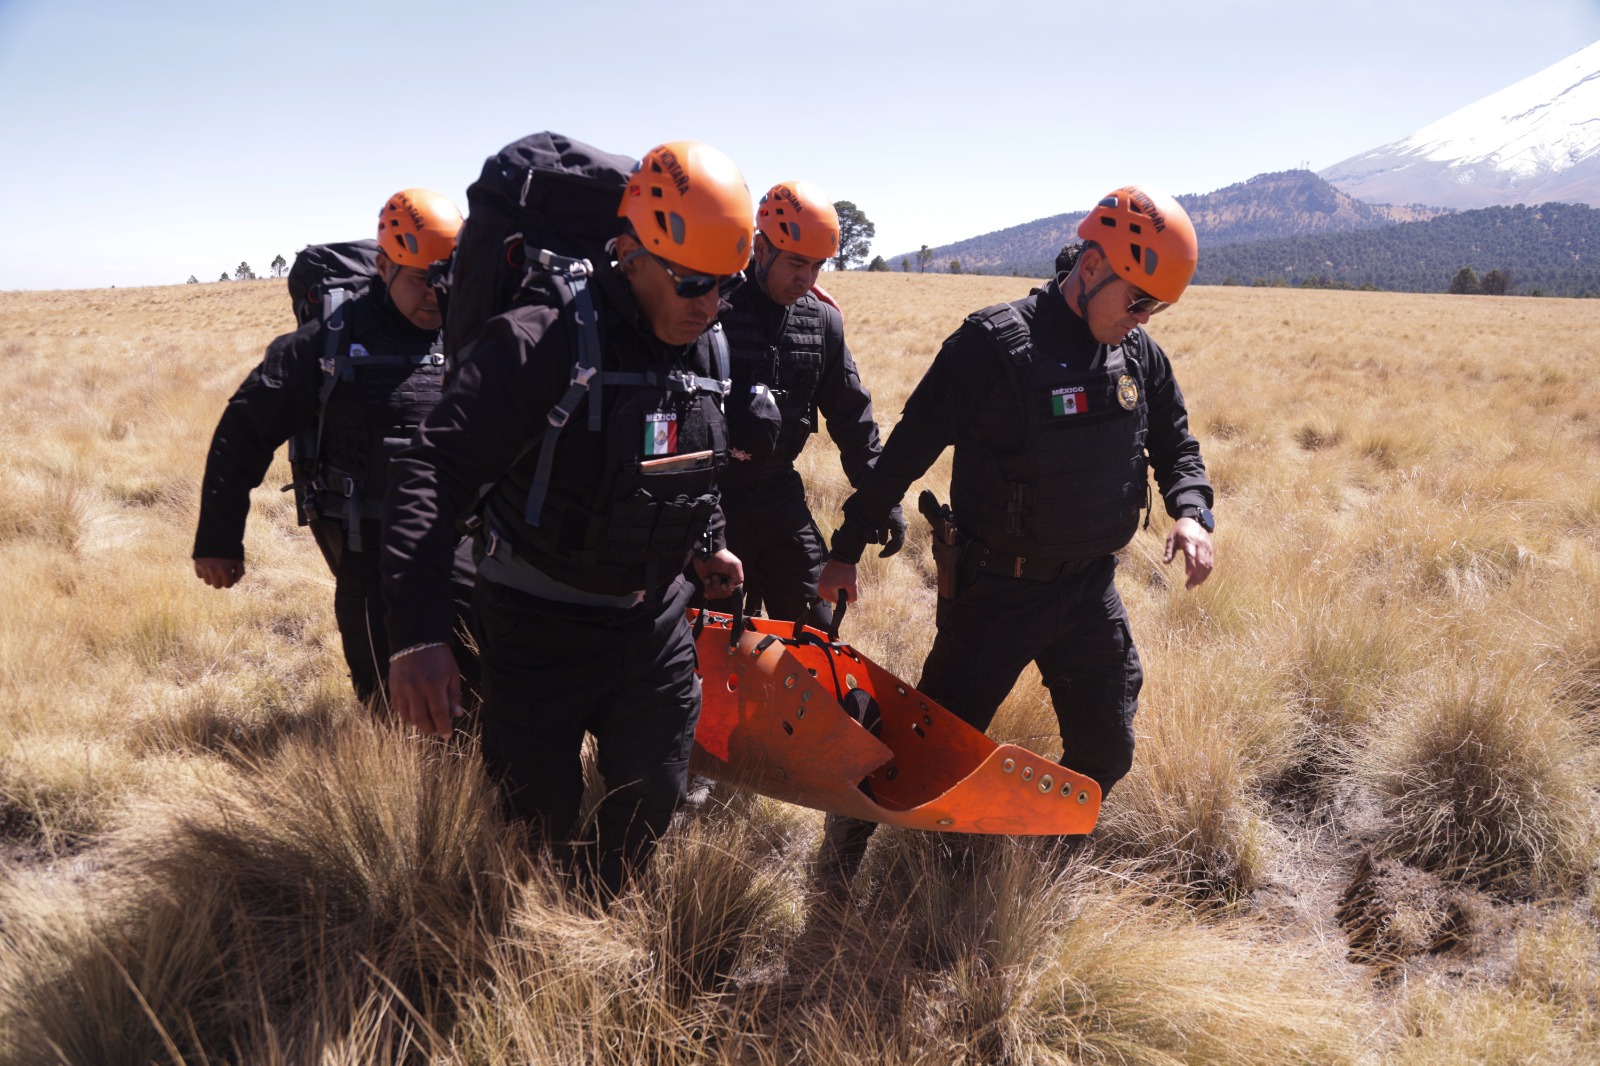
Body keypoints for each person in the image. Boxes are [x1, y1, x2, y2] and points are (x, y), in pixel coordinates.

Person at [812, 185, 1217, 894]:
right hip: (997, 590)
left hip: (1088, 590)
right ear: (1091, 265)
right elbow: (905, 453)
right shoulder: (993, 346)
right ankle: (847, 841)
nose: (1144, 319)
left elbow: (1175, 443)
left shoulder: (1136, 355)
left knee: (1106, 746)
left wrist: (1190, 512)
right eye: (1138, 300)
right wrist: (845, 548)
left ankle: (1038, 868)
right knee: (927, 745)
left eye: (1158, 307)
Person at [381, 141, 750, 899]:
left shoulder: (705, 341)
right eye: (691, 283)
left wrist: (706, 543)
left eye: (726, 287)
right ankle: (537, 935)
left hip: (652, 623)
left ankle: (599, 914)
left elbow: (685, 453)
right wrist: (417, 633)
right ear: (630, 253)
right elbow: (434, 467)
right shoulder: (545, 335)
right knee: (534, 818)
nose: (710, 305)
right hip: (536, 625)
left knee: (652, 792)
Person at [193, 188, 478, 704]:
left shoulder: (472, 339)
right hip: (368, 549)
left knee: (479, 683)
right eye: (421, 279)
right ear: (383, 265)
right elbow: (242, 431)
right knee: (388, 694)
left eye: (447, 279)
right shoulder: (326, 344)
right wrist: (218, 539)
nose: (437, 294)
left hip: (465, 543)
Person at [718, 180, 901, 630]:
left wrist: (882, 500)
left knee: (815, 636)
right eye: (797, 262)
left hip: (779, 499)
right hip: (712, 504)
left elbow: (854, 422)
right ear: (760, 249)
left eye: (817, 267)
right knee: (711, 641)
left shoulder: (823, 322)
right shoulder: (711, 307)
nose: (806, 279)